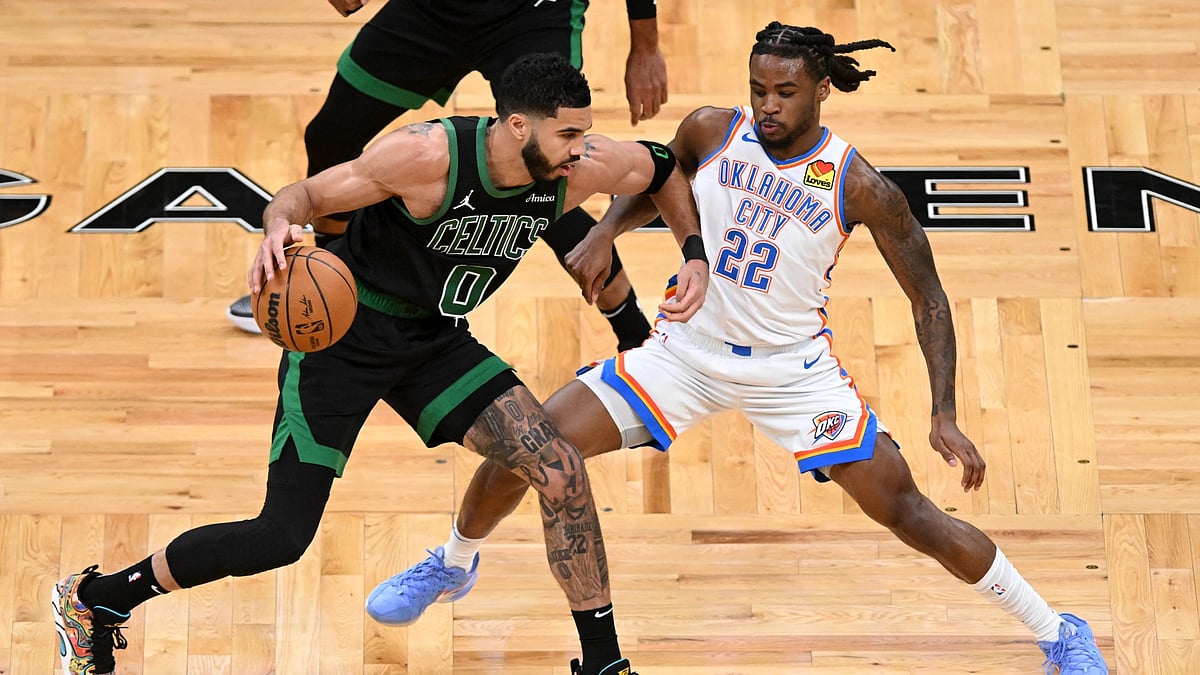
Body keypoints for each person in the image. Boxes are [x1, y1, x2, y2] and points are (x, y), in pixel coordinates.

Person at [366, 23, 1111, 675]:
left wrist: (943, 412)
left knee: (907, 509)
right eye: (758, 89)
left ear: (821, 89)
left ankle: (1058, 630)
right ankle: (452, 563)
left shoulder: (859, 186)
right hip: (684, 353)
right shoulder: (712, 131)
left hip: (793, 373)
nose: (767, 106)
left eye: (785, 92)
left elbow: (931, 300)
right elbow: (654, 178)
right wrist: (605, 231)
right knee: (531, 446)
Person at [51, 53, 709, 675]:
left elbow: (662, 168)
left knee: (559, 468)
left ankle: (602, 661)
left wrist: (692, 254)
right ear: (517, 126)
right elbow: (300, 196)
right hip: (341, 337)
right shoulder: (424, 156)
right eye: (567, 134)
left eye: (584, 132)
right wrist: (278, 228)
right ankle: (99, 599)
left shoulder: (578, 167)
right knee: (280, 535)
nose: (580, 148)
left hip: (433, 341)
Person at [225, 0, 669, 352]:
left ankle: (636, 336)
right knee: (330, 136)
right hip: (434, 10)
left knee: (543, 172)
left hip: (530, 12)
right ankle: (322, 286)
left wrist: (645, 44)